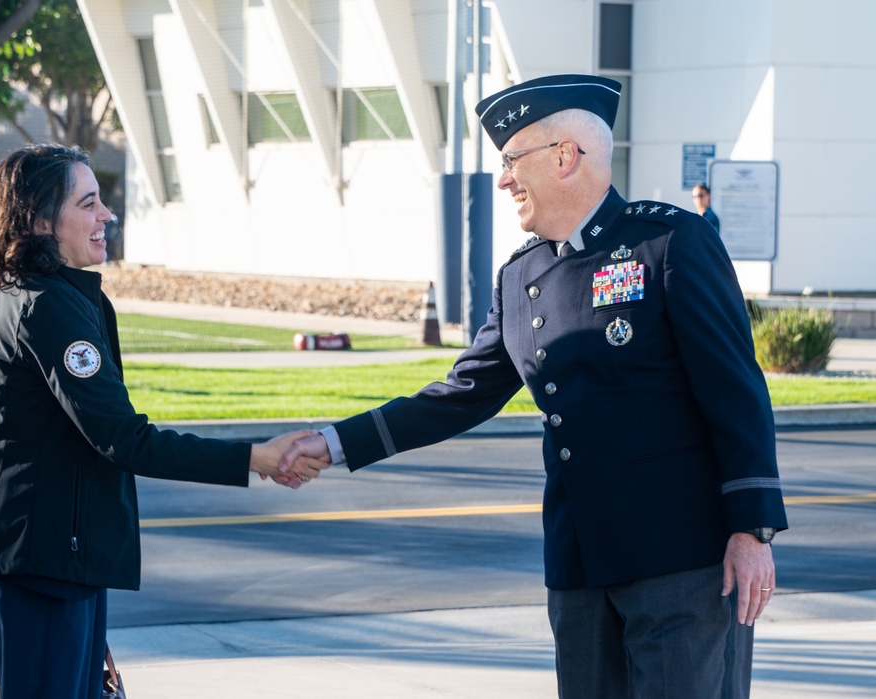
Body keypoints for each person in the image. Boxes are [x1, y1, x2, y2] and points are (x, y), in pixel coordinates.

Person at [279, 75, 787, 698]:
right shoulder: (522, 276)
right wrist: (333, 444)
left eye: (511, 161)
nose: (503, 180)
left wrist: (752, 530)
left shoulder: (669, 243)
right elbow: (462, 393)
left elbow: (735, 391)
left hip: (681, 560)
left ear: (565, 157)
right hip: (580, 565)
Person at [0, 144, 325, 699]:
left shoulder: (56, 297)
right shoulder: (46, 307)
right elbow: (122, 438)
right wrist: (255, 457)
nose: (107, 215)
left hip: (48, 560)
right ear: (39, 221)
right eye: (89, 202)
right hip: (37, 566)